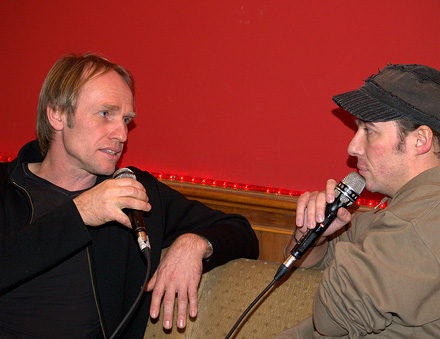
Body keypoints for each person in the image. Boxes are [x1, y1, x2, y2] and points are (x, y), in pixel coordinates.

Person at [0, 53, 259, 338]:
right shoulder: (6, 186)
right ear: (57, 114)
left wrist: (195, 244)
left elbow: (242, 232)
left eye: (126, 119)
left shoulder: (132, 191)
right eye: (105, 114)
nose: (122, 133)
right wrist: (80, 213)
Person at [275, 64, 440, 338]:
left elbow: (332, 317)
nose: (353, 147)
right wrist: (314, 234)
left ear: (420, 140)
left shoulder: (420, 219)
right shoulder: (407, 206)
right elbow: (307, 260)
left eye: (369, 130)